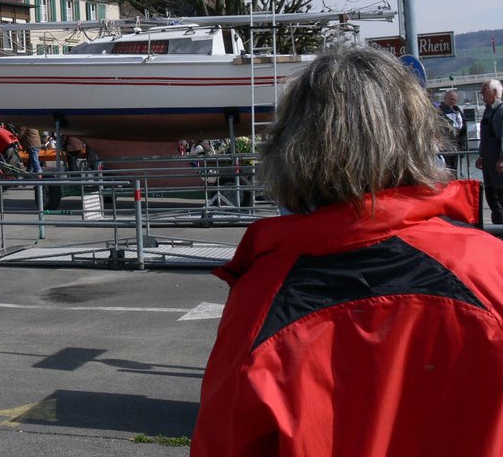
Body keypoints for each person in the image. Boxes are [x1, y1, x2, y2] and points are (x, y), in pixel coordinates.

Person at [193, 47, 503, 456]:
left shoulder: (260, 301)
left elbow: (225, 442)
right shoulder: (489, 271)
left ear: (292, 148)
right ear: (417, 137)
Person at [476, 79, 503, 224]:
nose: (482, 95)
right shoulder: (488, 111)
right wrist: (481, 156)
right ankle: (498, 229)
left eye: (484, 91)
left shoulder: (501, 110)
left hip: (498, 163)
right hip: (488, 162)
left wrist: (502, 159)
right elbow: (485, 137)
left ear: (494, 92)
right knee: (491, 197)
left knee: (501, 195)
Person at [438, 89, 467, 174]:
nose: (453, 102)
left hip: (455, 145)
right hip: (443, 146)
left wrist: (462, 146)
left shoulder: (457, 111)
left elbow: (463, 130)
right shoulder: (439, 111)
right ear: (445, 98)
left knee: (454, 170)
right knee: (445, 169)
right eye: (451, 99)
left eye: (455, 100)